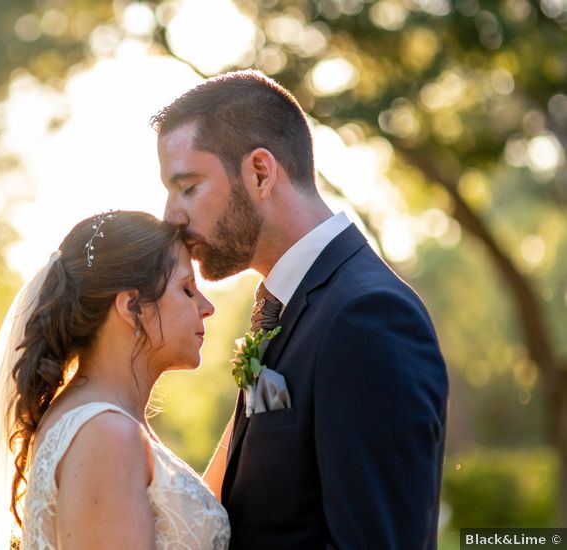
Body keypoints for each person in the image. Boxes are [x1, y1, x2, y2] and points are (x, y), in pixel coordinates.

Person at [153, 70, 449, 549]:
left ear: (261, 173)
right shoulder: (286, 307)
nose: (172, 216)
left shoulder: (368, 316)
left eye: (187, 187)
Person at [0, 211, 230, 549]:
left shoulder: (98, 422)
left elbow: (180, 525)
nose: (206, 306)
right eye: (187, 289)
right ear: (133, 307)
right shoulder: (106, 435)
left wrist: (248, 408)